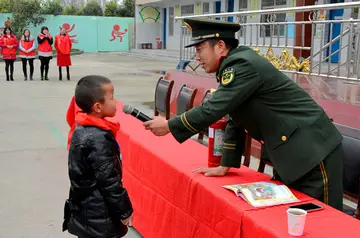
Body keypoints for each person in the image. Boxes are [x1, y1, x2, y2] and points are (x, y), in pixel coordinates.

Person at [143, 19, 345, 211]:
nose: (196, 57)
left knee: (321, 217)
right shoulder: (234, 65)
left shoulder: (241, 65)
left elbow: (213, 108)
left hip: (314, 152)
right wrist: (226, 164)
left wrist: (170, 125)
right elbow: (234, 117)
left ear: (220, 46)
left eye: (199, 49)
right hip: (295, 153)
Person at [63, 75, 133, 238]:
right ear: (97, 107)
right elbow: (109, 181)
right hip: (98, 216)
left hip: (86, 211)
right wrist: (125, 210)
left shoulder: (82, 128)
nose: (116, 101)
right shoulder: (98, 139)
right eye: (112, 97)